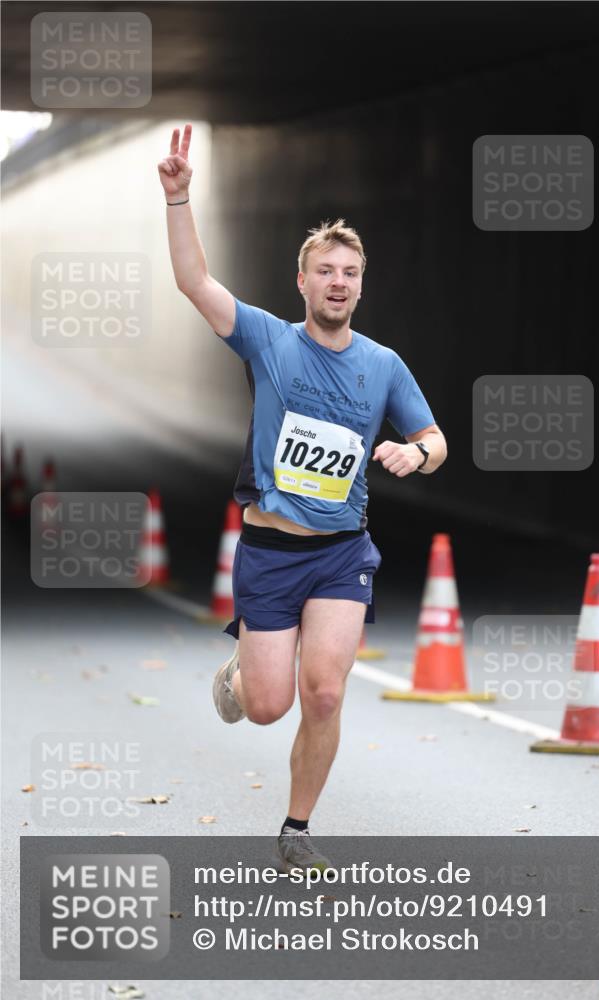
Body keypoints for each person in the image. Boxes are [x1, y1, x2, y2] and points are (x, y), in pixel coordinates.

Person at [159, 123, 447, 872]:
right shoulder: (266, 339)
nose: (338, 282)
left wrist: (414, 453)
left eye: (349, 271)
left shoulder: (383, 366)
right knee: (267, 706)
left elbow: (437, 439)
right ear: (303, 281)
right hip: (269, 550)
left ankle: (295, 829)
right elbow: (194, 282)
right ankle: (239, 671)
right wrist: (179, 197)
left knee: (322, 694)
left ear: (361, 282)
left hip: (341, 556)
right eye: (325, 271)